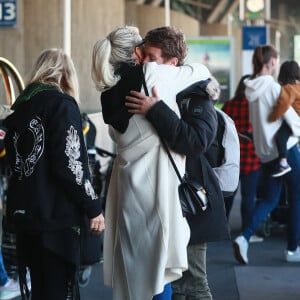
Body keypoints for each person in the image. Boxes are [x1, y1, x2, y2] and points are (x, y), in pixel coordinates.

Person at [91, 26, 229, 300]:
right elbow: (201, 72)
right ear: (135, 53)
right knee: (168, 276)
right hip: (163, 194)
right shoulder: (152, 74)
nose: (147, 61)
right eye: (145, 54)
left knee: (137, 276)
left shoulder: (108, 91)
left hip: (129, 191)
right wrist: (159, 107)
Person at [3, 48, 105, 300]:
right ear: (66, 75)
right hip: (56, 219)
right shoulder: (61, 104)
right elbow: (70, 164)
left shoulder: (20, 108)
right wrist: (93, 207)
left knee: (41, 289)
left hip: (25, 217)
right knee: (60, 290)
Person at [233, 45, 300, 264]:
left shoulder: (251, 90)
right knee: (297, 196)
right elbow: (291, 119)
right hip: (286, 151)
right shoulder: (271, 87)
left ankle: (244, 237)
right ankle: (293, 249)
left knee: (271, 199)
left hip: (266, 154)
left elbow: (256, 125)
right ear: (272, 62)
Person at [222, 75, 263, 242]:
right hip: (251, 158)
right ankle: (247, 233)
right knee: (248, 197)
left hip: (232, 156)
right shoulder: (255, 106)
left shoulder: (229, 105)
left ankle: (223, 228)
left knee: (229, 195)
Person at [268, 60, 300, 177]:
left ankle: (283, 162)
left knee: (280, 137)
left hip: (294, 120)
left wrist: (272, 117)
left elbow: (283, 104)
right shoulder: (298, 86)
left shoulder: (288, 88)